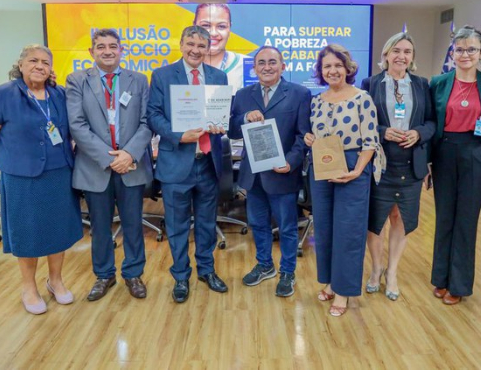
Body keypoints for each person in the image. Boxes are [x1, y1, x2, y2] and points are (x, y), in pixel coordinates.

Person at [0, 45, 82, 315]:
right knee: (27, 232)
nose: (40, 66)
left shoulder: (59, 94)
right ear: (21, 65)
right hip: (22, 178)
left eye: (45, 62)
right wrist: (4, 162)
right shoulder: (4, 94)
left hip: (59, 172)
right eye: (33, 61)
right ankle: (29, 287)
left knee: (58, 230)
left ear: (51, 68)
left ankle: (55, 281)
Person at [66, 29, 153, 302]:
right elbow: (77, 125)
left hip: (131, 166)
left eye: (113, 46)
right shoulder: (77, 80)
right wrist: (111, 159)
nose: (107, 51)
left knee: (133, 225)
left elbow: (147, 122)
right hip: (95, 167)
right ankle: (104, 275)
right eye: (101, 46)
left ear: (121, 50)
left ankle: (133, 274)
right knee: (100, 227)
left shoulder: (139, 80)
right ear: (91, 52)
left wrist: (129, 154)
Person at [147, 25, 229, 303]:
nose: (195, 50)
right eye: (190, 44)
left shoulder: (218, 76)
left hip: (208, 163)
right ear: (181, 45)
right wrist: (178, 135)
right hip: (175, 163)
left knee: (207, 223)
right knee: (177, 225)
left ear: (208, 48)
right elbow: (153, 115)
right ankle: (181, 276)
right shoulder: (162, 75)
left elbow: (222, 113)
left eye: (201, 45)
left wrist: (220, 124)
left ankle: (207, 270)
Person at [303, 44, 385, 317]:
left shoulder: (362, 98)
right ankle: (329, 281)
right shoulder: (316, 100)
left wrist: (357, 170)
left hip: (353, 168)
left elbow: (371, 141)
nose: (333, 70)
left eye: (338, 65)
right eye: (327, 66)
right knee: (324, 228)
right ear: (321, 71)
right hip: (323, 166)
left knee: (348, 231)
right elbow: (314, 135)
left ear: (347, 68)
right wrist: (309, 138)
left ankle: (343, 291)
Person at [429, 25, 481, 305]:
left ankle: (459, 284)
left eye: (471, 49)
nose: (465, 54)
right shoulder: (438, 82)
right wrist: (427, 160)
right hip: (444, 152)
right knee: (444, 217)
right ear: (452, 53)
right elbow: (431, 123)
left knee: (466, 220)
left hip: (476, 153)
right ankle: (440, 278)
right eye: (459, 49)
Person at [229, 46, 311, 297]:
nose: (267, 67)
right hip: (253, 175)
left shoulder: (299, 94)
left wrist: (291, 161)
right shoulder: (243, 95)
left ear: (283, 66)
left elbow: (304, 135)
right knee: (258, 224)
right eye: (261, 63)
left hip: (282, 172)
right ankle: (265, 265)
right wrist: (244, 118)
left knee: (287, 227)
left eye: (272, 62)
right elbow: (231, 130)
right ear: (254, 68)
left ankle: (287, 272)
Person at [361, 32, 435, 301]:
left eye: (407, 51)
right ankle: (376, 269)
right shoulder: (370, 84)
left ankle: (392, 273)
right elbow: (362, 121)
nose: (401, 56)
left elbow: (432, 122)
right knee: (376, 222)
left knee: (399, 218)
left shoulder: (422, 84)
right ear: (386, 55)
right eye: (396, 51)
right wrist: (382, 131)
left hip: (410, 163)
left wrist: (418, 133)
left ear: (412, 57)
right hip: (380, 163)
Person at [194, 3, 250, 92]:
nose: (213, 33)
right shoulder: (177, 69)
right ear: (194, 27)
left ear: (229, 29)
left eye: (221, 26)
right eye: (206, 25)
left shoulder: (249, 66)